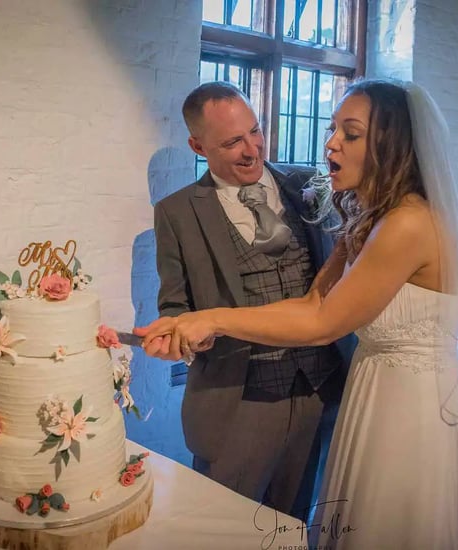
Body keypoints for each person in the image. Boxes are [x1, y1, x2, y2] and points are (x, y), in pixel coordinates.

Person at [136, 79, 458, 549]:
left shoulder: (405, 222)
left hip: (398, 409)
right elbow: (314, 302)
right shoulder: (367, 218)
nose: (330, 144)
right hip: (269, 402)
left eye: (350, 133)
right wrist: (188, 326)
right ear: (198, 146)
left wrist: (216, 318)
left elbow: (324, 322)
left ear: (391, 143)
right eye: (333, 129)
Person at [150, 81, 352, 517]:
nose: (251, 149)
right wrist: (185, 338)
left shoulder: (306, 185)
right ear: (197, 145)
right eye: (231, 142)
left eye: (254, 132)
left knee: (294, 525)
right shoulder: (176, 212)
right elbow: (174, 305)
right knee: (219, 525)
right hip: (238, 399)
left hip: (320, 389)